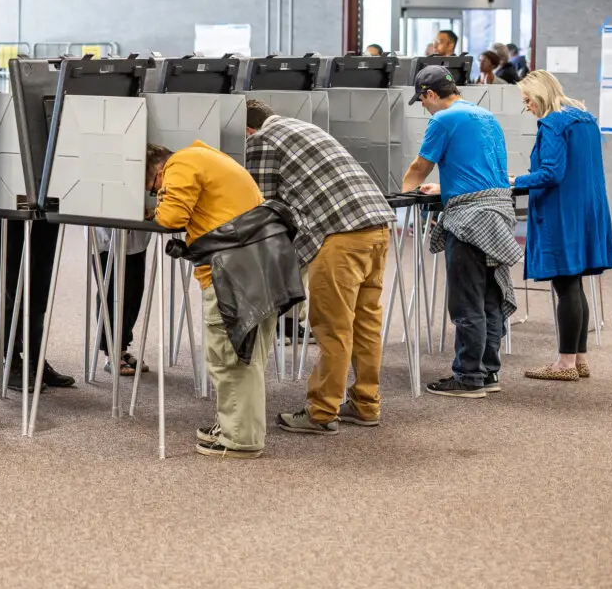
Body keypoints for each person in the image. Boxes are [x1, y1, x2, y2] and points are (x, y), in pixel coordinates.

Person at [244, 101, 396, 434]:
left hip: (340, 234)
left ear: (247, 130)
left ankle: (321, 411)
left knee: (332, 327)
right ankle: (366, 404)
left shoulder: (262, 141)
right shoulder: (304, 127)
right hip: (378, 226)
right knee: (366, 323)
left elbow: (262, 203)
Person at [147, 141, 294, 459]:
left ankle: (240, 439)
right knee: (248, 355)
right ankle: (236, 425)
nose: (156, 192)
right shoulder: (209, 157)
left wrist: (157, 208)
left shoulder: (181, 164)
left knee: (229, 357)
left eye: (153, 187)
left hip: (233, 272)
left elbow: (170, 217)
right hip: (259, 263)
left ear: (158, 171)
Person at [402, 66, 521, 398]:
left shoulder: (442, 120)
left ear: (429, 94)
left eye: (422, 101)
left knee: (466, 300)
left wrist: (402, 199)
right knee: (490, 297)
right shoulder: (486, 116)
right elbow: (481, 170)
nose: (424, 107)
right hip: (498, 214)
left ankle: (467, 377)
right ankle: (488, 373)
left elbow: (418, 166)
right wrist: (441, 187)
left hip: (469, 219)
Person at [514, 72, 612, 381]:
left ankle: (565, 364)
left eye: (528, 101)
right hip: (589, 208)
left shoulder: (552, 123)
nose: (527, 107)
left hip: (562, 212)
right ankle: (579, 359)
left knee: (565, 285)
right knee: (574, 283)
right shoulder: (584, 119)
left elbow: (551, 174)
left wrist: (516, 182)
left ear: (540, 97)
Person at [0, 220, 77, 391]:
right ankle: (12, 363)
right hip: (13, 207)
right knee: (12, 289)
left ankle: (35, 361)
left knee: (40, 288)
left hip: (46, 207)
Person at [92, 228, 151, 376]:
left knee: (133, 293)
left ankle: (122, 348)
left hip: (136, 236)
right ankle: (111, 353)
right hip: (107, 236)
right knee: (112, 294)